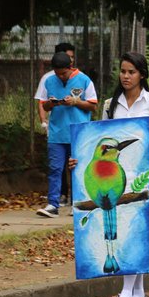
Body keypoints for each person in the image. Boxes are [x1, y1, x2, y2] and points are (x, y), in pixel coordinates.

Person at [69, 52, 149, 297]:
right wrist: (77, 161)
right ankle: (134, 291)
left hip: (144, 176)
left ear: (142, 75)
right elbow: (98, 138)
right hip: (109, 177)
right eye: (123, 71)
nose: (126, 76)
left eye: (131, 72)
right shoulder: (108, 105)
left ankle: (129, 291)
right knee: (125, 227)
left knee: (139, 227)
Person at [35, 52, 98, 218]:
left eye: (63, 73)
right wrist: (51, 103)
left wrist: (75, 102)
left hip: (78, 134)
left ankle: (78, 203)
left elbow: (93, 106)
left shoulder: (84, 80)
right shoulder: (49, 81)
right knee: (55, 168)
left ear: (70, 68)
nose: (60, 77)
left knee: (77, 169)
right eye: (57, 73)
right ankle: (52, 204)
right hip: (57, 133)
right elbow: (44, 106)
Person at [35, 43, 77, 206]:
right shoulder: (48, 79)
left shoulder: (80, 78)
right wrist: (43, 121)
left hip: (73, 129)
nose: (70, 59)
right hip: (57, 129)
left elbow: (90, 103)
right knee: (57, 165)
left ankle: (76, 200)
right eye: (67, 56)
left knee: (73, 164)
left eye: (72, 56)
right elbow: (42, 101)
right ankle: (60, 197)